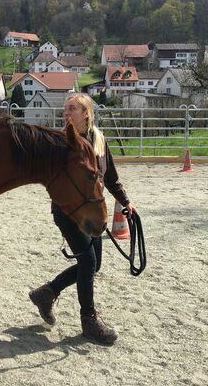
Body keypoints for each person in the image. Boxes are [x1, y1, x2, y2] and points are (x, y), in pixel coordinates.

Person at [29, 93, 137, 345]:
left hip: (91, 209)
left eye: (72, 108)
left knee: (93, 264)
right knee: (88, 260)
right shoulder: (60, 142)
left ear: (86, 113)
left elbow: (110, 177)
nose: (66, 113)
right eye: (66, 109)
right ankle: (89, 320)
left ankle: (47, 292)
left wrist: (126, 201)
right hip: (67, 211)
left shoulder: (99, 139)